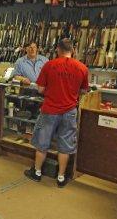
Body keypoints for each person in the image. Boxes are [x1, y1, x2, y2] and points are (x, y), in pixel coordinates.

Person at [24, 38, 89, 188]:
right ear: (72, 50)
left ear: (58, 50)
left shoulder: (49, 65)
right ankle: (61, 178)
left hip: (49, 110)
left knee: (42, 142)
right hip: (70, 111)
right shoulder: (82, 68)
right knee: (65, 145)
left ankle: (37, 172)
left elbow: (40, 89)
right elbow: (84, 91)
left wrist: (52, 90)